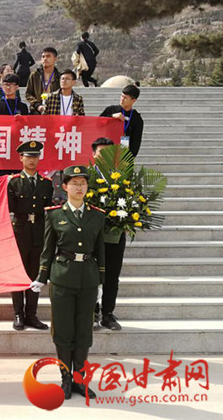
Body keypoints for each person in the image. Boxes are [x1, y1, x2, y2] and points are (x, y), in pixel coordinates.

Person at [31, 165, 106, 400]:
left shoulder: (97, 215)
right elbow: (48, 249)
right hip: (62, 278)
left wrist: (101, 281)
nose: (79, 187)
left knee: (84, 330)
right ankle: (65, 378)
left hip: (88, 279)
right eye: (74, 183)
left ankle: (80, 380)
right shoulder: (54, 214)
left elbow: (101, 250)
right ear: (65, 187)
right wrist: (42, 277)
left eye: (83, 183)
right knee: (63, 331)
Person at [7, 141, 52, 331]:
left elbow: (49, 211)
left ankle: (32, 315)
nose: (32, 160)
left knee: (35, 273)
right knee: (19, 273)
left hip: (39, 233)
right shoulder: (14, 182)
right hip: (20, 231)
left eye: (35, 156)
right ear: (21, 158)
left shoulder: (46, 184)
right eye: (28, 156)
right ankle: (18, 314)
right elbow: (7, 209)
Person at [91, 137, 125, 331]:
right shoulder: (86, 177)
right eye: (100, 152)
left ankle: (108, 314)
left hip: (115, 235)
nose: (104, 157)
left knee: (112, 275)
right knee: (91, 275)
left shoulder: (122, 178)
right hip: (91, 236)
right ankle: (92, 312)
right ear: (94, 155)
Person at [100, 85, 144, 157]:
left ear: (133, 100)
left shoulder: (136, 119)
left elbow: (136, 142)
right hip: (106, 150)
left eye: (125, 98)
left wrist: (128, 159)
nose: (122, 99)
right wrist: (111, 117)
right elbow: (98, 123)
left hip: (123, 153)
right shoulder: (110, 110)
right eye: (121, 96)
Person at [26, 47, 61, 114]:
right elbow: (28, 94)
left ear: (55, 59)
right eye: (43, 57)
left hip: (54, 113)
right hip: (36, 112)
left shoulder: (59, 77)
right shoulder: (35, 75)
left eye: (48, 56)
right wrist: (37, 105)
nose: (45, 59)